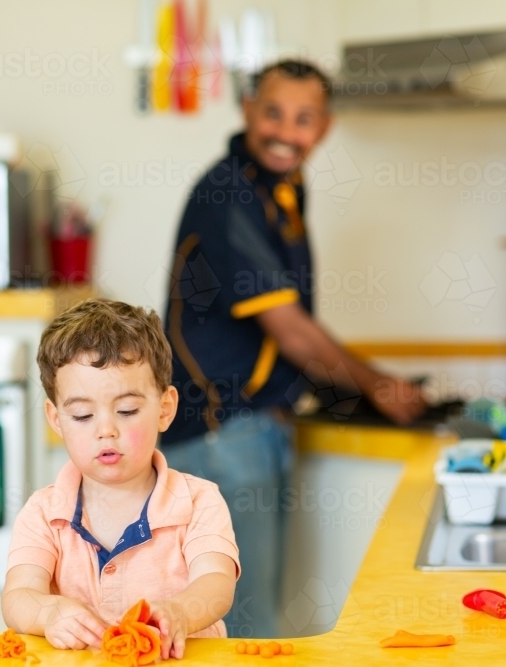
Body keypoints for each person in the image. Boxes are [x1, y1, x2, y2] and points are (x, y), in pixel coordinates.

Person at [161, 60, 426, 638]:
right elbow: (292, 329)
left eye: (303, 119)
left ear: (324, 128)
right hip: (220, 433)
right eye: (273, 113)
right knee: (240, 632)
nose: (286, 131)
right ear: (248, 111)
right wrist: (380, 387)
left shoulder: (280, 188)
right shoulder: (231, 194)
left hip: (253, 428)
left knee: (245, 626)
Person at [2, 298, 240, 660]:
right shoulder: (43, 513)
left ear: (165, 409)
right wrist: (47, 612)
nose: (106, 431)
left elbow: (216, 584)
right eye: (82, 415)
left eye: (126, 411)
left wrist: (182, 610)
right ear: (56, 419)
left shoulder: (199, 502)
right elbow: (18, 597)